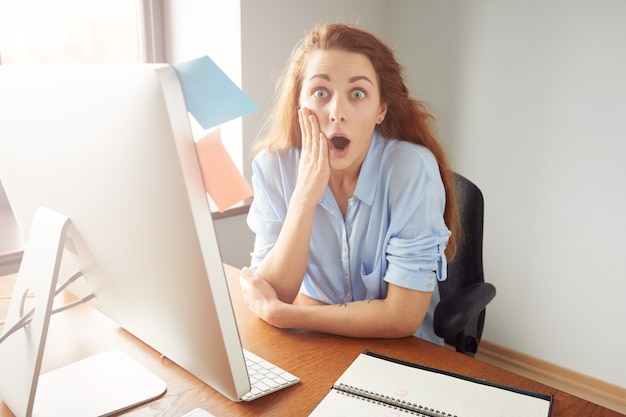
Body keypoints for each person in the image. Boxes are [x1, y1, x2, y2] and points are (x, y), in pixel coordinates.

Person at [240, 22, 458, 345]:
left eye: (358, 94)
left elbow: (402, 316)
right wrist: (303, 198)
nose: (336, 113)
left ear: (380, 109)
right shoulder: (275, 167)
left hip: (404, 353)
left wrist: (288, 316)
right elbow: (273, 292)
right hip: (321, 349)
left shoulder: (411, 170)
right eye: (320, 93)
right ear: (299, 104)